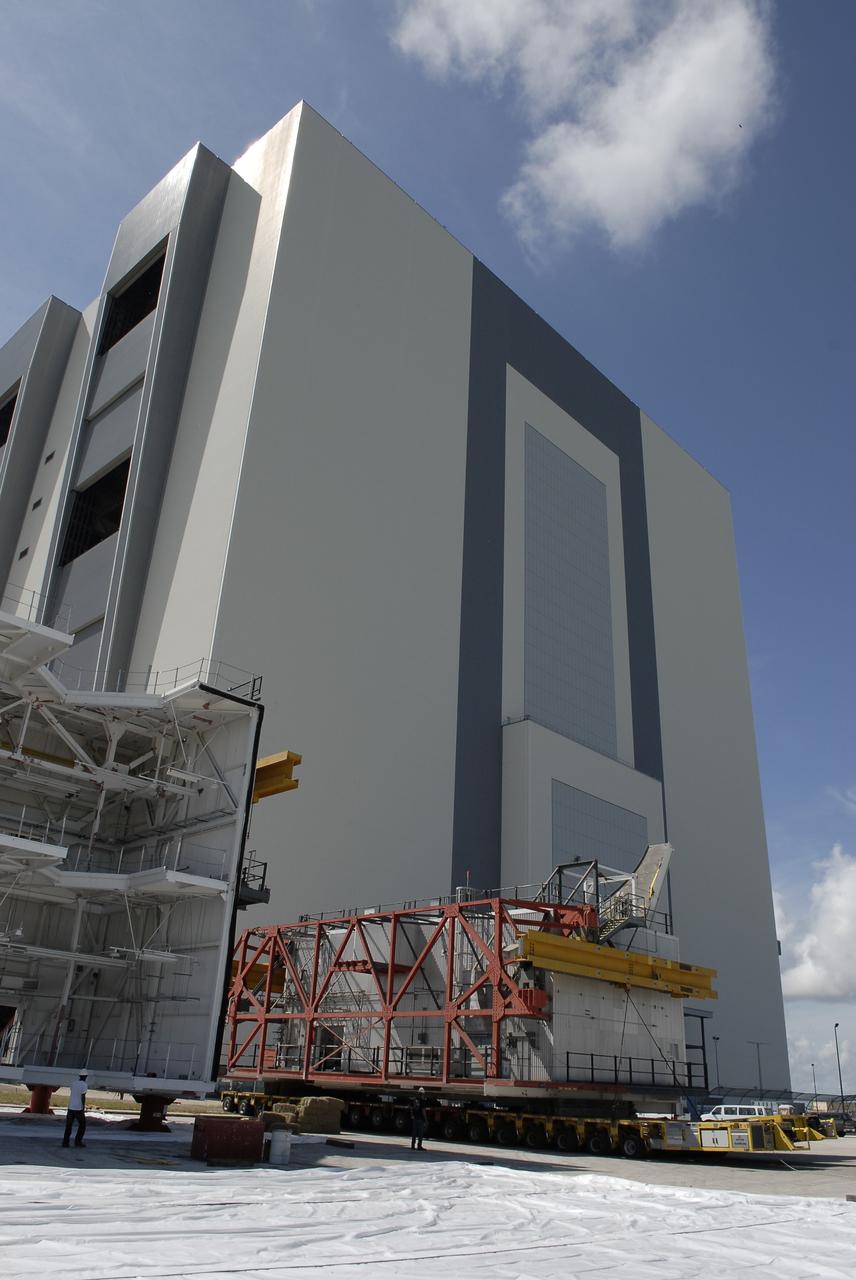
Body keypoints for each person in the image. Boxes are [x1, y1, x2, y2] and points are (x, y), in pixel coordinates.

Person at [62, 1071, 88, 1148]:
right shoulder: (84, 1085)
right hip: (78, 1108)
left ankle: (65, 1142)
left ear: (79, 1076)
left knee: (68, 1126)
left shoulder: (74, 1083)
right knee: (82, 1125)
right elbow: (83, 1097)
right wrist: (83, 1108)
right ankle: (78, 1141)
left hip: (70, 1107)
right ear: (86, 1076)